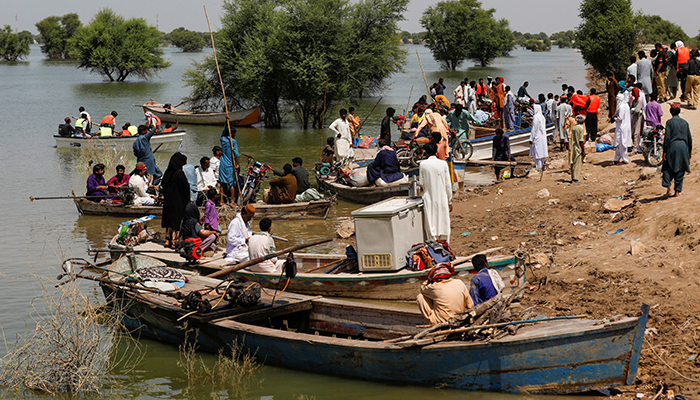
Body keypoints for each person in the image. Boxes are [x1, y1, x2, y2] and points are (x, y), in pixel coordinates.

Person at [420, 143, 452, 243]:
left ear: (426, 153)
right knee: (443, 220)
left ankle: (432, 244)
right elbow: (448, 184)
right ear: (436, 152)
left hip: (429, 197)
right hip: (442, 197)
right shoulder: (443, 164)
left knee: (431, 221)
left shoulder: (423, 164)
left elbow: (422, 183)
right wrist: (450, 201)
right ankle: (445, 243)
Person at [662, 103, 692, 197]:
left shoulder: (669, 122)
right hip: (683, 147)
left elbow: (667, 138)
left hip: (672, 146)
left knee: (667, 167)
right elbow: (689, 138)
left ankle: (668, 188)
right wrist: (689, 151)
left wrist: (665, 151)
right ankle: (677, 191)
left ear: (670, 112)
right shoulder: (685, 122)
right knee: (681, 168)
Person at [161, 152, 190, 247]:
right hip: (179, 202)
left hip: (168, 201)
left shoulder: (167, 173)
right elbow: (186, 189)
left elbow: (163, 185)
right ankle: (175, 241)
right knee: (177, 221)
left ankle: (167, 240)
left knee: (169, 220)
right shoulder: (179, 174)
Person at [220, 123, 242, 205]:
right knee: (231, 183)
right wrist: (238, 164)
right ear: (232, 133)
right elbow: (236, 154)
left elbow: (222, 133)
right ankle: (232, 201)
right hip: (229, 164)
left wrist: (226, 123)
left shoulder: (222, 139)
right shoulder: (233, 141)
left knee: (222, 183)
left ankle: (222, 201)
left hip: (222, 164)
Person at [613, 92, 632, 165]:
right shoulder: (626, 105)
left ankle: (625, 159)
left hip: (621, 127)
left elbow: (620, 117)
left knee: (622, 144)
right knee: (619, 144)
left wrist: (615, 118)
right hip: (626, 126)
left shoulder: (621, 107)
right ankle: (617, 158)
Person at [529, 106, 548, 171]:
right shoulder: (542, 117)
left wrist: (531, 138)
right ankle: (542, 166)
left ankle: (538, 167)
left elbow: (534, 129)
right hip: (542, 137)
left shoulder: (536, 117)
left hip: (537, 136)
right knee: (542, 152)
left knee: (537, 153)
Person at [630, 82, 647, 152]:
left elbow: (637, 109)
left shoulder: (639, 100)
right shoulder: (634, 100)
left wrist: (633, 111)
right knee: (633, 132)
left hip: (638, 117)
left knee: (637, 132)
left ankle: (635, 148)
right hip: (634, 117)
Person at [570, 115, 586, 183]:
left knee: (573, 162)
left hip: (573, 146)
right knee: (578, 163)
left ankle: (573, 177)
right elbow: (581, 141)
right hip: (578, 147)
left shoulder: (574, 127)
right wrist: (583, 151)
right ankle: (575, 179)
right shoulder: (581, 128)